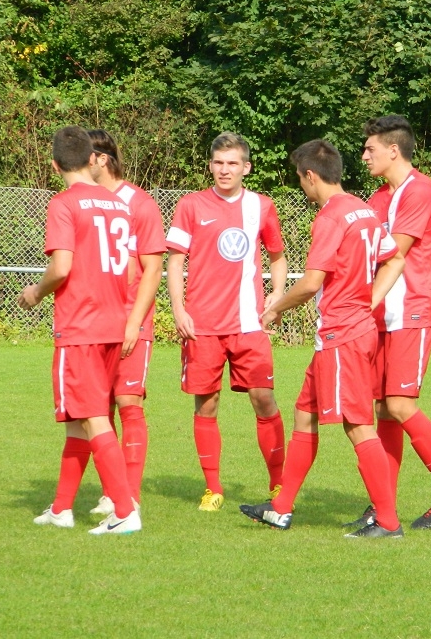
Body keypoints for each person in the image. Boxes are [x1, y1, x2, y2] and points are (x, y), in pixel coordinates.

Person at [240, 139, 408, 538]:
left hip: (342, 336)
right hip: (346, 333)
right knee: (305, 413)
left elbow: (312, 282)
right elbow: (396, 258)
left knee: (357, 425)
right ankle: (281, 508)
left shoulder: (331, 217)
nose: (301, 186)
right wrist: (370, 299)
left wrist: (276, 307)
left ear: (311, 176)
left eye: (300, 179)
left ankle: (388, 522)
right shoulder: (364, 210)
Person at [340, 114, 431, 531]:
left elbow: (394, 252)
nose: (364, 156)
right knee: (383, 410)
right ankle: (384, 506)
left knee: (399, 404)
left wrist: (361, 299)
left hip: (411, 308)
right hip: (380, 314)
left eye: (370, 149)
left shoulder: (421, 190)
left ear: (393, 150)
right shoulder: (379, 197)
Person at [18, 125, 143, 535]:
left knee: (93, 418)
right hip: (113, 323)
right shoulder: (117, 204)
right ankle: (61, 508)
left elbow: (61, 267)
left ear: (54, 165)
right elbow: (129, 268)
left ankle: (124, 511)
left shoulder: (63, 204)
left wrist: (35, 292)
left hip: (81, 327)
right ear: (92, 159)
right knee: (78, 419)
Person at [166, 132, 288, 511]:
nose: (225, 169)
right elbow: (174, 262)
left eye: (232, 163)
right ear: (210, 166)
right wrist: (179, 309)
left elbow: (277, 256)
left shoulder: (262, 206)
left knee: (263, 399)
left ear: (246, 168)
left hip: (249, 324)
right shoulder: (190, 205)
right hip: (202, 325)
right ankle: (213, 488)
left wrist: (277, 294)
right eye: (218, 162)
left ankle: (279, 485)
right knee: (207, 405)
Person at [86, 129, 167, 516]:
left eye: (84, 157)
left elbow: (153, 268)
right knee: (98, 407)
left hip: (131, 320)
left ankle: (130, 495)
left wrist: (134, 322)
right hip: (94, 323)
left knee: (128, 402)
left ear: (101, 159)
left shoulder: (140, 204)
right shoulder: (85, 203)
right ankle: (112, 491)